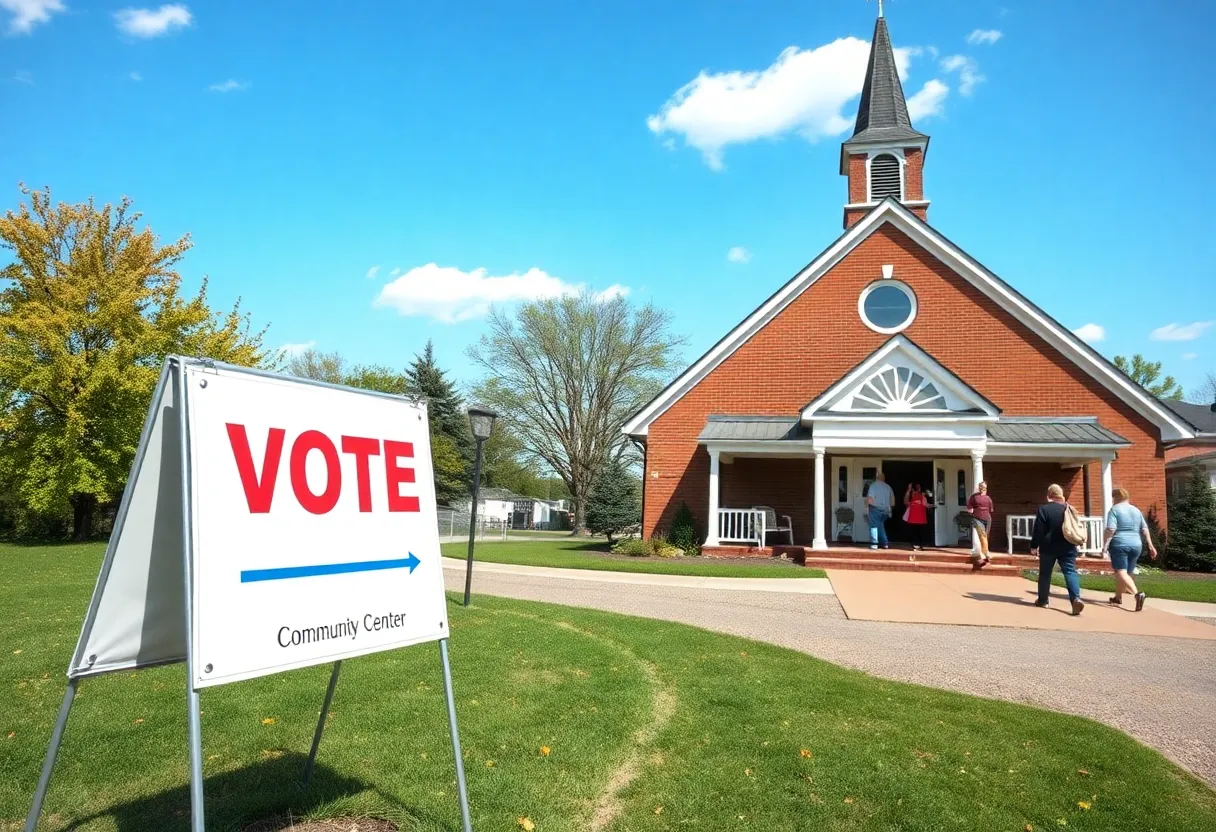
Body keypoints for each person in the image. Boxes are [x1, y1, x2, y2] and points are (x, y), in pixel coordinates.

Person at [1029, 484, 1085, 615]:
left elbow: (1038, 530)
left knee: (1045, 573)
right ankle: (1075, 598)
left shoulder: (1044, 510)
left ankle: (1043, 601)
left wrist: (1033, 546)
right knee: (1070, 571)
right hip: (1069, 545)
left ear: (1049, 495)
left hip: (1048, 547)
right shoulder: (1070, 509)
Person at [1103, 487, 1158, 611]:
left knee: (1120, 571)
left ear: (1116, 497)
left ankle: (1137, 594)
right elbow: (1144, 529)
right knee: (1126, 573)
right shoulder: (1136, 510)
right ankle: (1117, 597)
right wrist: (1150, 545)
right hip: (1136, 544)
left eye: (1113, 498)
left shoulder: (1114, 510)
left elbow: (1111, 529)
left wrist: (1104, 542)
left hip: (1120, 543)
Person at [967, 481, 994, 569]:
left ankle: (984, 555)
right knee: (982, 535)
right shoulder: (974, 497)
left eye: (984, 487)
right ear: (979, 487)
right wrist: (971, 510)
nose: (983, 488)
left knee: (985, 536)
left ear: (986, 488)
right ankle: (985, 554)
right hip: (977, 518)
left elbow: (990, 510)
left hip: (987, 519)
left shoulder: (988, 498)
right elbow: (969, 506)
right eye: (981, 486)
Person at [866, 471, 894, 550]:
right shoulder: (888, 487)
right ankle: (885, 543)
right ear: (884, 478)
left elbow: (870, 499)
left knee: (874, 526)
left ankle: (874, 544)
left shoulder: (873, 486)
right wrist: (890, 510)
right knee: (880, 525)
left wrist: (867, 508)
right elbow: (892, 501)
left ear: (877, 478)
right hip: (886, 510)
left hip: (875, 509)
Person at [903, 482, 931, 550]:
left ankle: (920, 545)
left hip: (921, 519)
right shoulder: (910, 495)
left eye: (919, 487)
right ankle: (915, 545)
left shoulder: (923, 495)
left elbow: (926, 504)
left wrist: (931, 505)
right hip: (913, 519)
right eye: (916, 487)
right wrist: (908, 491)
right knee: (913, 533)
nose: (917, 490)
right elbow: (905, 502)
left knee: (921, 532)